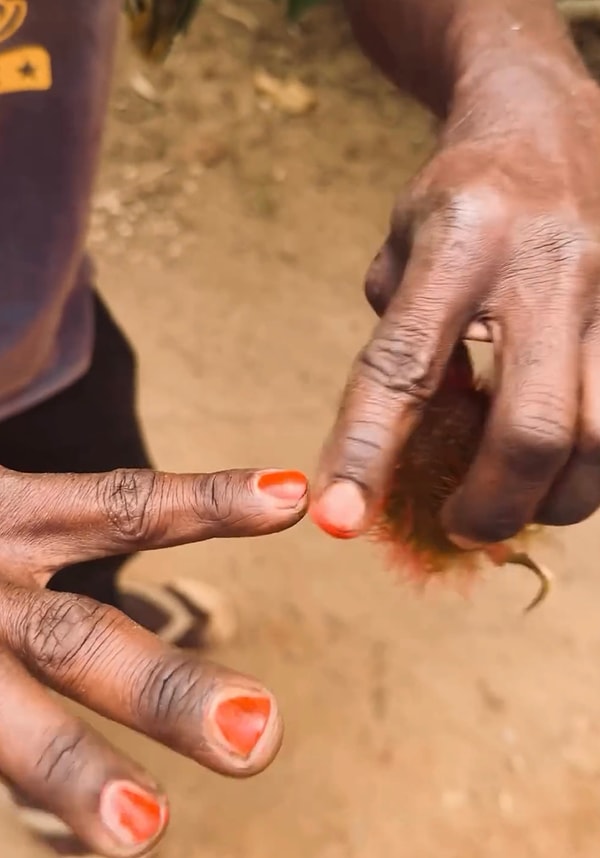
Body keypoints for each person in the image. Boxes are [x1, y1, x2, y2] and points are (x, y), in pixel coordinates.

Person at [0, 0, 597, 856]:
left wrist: (515, 70)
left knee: (102, 477)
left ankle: (98, 604)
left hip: (45, 320)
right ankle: (39, 747)